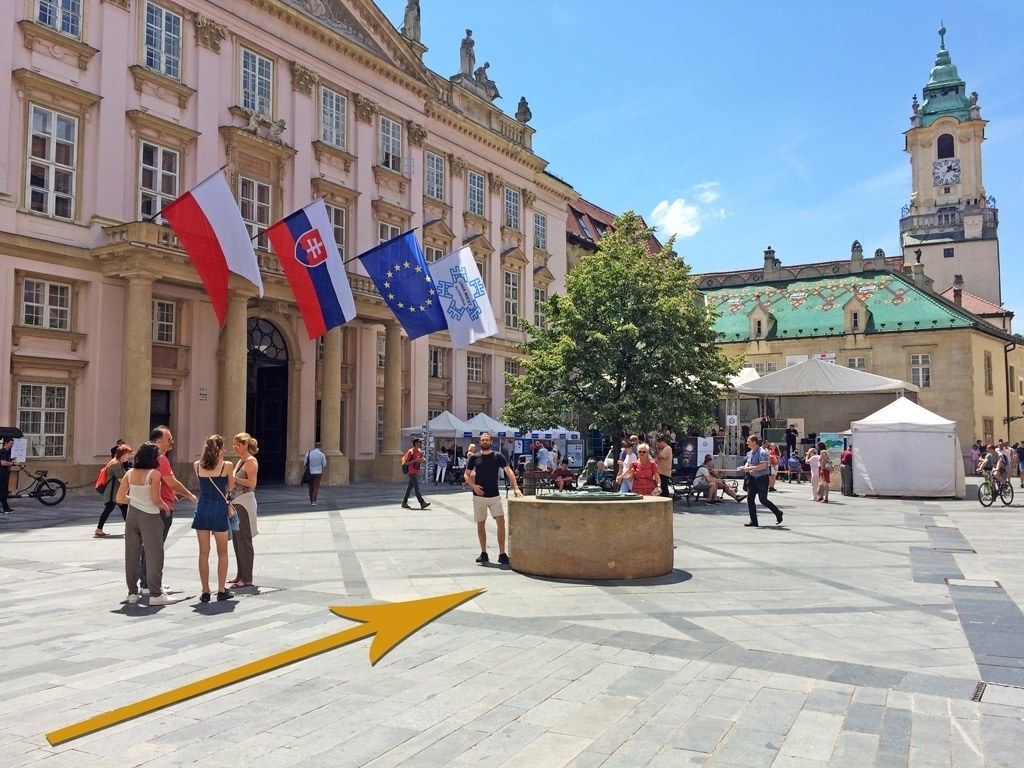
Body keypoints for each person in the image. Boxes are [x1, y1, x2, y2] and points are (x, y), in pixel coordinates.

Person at [117, 442, 175, 605]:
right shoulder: (154, 474)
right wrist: (165, 506)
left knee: (132, 554)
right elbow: (156, 500)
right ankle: (156, 594)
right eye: (157, 455)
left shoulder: (129, 473)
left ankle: (132, 593)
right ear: (152, 457)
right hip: (149, 516)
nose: (159, 458)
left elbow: (120, 498)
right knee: (154, 554)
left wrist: (135, 499)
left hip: (132, 515)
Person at [143, 427, 197, 593]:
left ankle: (145, 581)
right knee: (156, 547)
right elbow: (172, 482)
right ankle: (151, 583)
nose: (171, 441)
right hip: (162, 507)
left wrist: (170, 492)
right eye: (168, 439)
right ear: (158, 441)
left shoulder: (144, 457)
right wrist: (188, 494)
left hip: (148, 504)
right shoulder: (161, 459)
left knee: (147, 546)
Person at [465, 432, 522, 565]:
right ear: (480, 442)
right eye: (482, 440)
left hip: (494, 495)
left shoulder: (498, 456)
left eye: (487, 440)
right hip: (478, 496)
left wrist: (516, 488)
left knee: (501, 522)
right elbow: (466, 475)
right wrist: (474, 486)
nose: (484, 442)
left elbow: (509, 472)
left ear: (491, 441)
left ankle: (502, 553)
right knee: (481, 523)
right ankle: (484, 553)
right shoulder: (474, 457)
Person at [192, 435, 236, 602]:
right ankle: (221, 589)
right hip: (218, 508)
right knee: (222, 553)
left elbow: (202, 484)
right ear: (220, 450)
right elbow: (230, 486)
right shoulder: (226, 465)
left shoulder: (197, 465)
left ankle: (205, 590)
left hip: (202, 508)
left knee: (203, 553)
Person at [230, 432, 259, 589]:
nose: (235, 447)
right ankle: (240, 574)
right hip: (235, 502)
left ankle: (247, 578)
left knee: (244, 540)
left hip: (245, 503)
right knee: (236, 540)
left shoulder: (250, 461)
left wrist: (234, 478)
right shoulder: (240, 461)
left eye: (238, 444)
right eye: (234, 444)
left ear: (246, 444)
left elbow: (252, 483)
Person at [740, 435, 783, 527]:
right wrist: (745, 467)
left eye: (748, 441)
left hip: (761, 479)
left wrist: (748, 469)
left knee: (763, 500)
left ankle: (778, 513)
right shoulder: (750, 453)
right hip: (752, 478)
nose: (747, 443)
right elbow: (748, 462)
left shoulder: (762, 453)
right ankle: (754, 521)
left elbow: (762, 466)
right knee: (750, 499)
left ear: (754, 442)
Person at [95, 444, 132, 537]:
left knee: (119, 510)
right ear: (122, 454)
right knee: (115, 510)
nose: (128, 456)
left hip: (115, 492)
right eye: (128, 454)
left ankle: (99, 529)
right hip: (113, 493)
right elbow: (121, 479)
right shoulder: (115, 464)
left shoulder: (117, 463)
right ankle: (131, 530)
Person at [400, 438, 430, 509]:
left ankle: (404, 502)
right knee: (416, 487)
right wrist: (414, 460)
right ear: (416, 443)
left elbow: (422, 458)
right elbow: (405, 462)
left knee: (410, 487)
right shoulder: (410, 451)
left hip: (416, 471)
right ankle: (422, 502)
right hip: (411, 471)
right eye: (420, 442)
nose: (421, 444)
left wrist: (423, 460)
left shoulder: (419, 451)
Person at [0, 436, 19, 514]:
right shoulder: (3, 451)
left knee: (3, 491)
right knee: (3, 491)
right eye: (11, 443)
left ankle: (6, 508)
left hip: (5, 473)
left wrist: (13, 460)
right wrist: (12, 463)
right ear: (6, 443)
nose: (12, 445)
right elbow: (2, 462)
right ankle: (6, 508)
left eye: (13, 443)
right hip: (1, 474)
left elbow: (7, 460)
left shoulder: (8, 451)